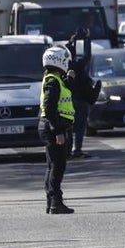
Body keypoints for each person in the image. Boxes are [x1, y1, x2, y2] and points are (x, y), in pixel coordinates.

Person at [39, 45, 76, 214]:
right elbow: (49, 106)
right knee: (57, 166)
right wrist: (58, 131)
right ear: (59, 60)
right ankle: (55, 202)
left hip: (51, 125)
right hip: (54, 127)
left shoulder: (54, 79)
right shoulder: (53, 81)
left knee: (52, 165)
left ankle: (51, 201)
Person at [66, 30, 102, 159]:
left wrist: (72, 41)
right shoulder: (80, 68)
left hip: (69, 101)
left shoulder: (68, 67)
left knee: (69, 127)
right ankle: (77, 150)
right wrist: (87, 39)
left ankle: (69, 151)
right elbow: (87, 55)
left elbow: (69, 53)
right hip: (81, 101)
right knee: (79, 127)